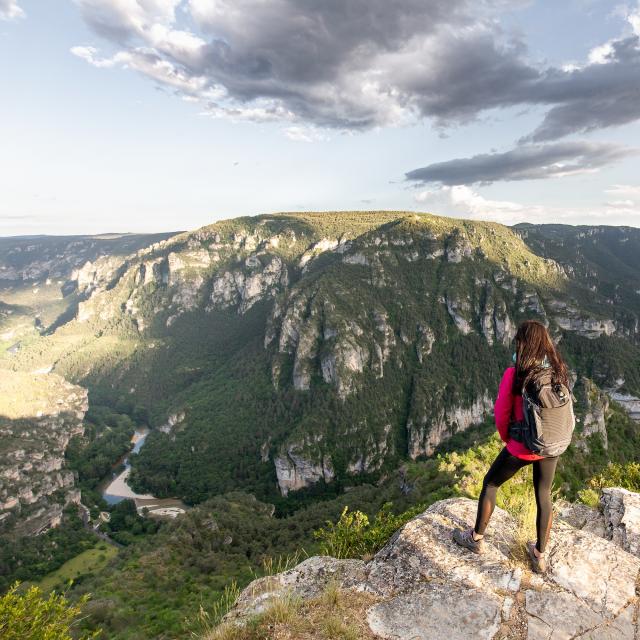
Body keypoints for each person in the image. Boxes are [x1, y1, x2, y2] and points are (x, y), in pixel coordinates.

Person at [452, 320, 570, 573]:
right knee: (544, 495)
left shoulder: (516, 373)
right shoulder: (558, 370)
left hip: (522, 445)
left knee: (491, 484)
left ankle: (475, 539)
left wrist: (508, 440)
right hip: (551, 444)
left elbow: (502, 411)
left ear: (522, 343)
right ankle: (539, 555)